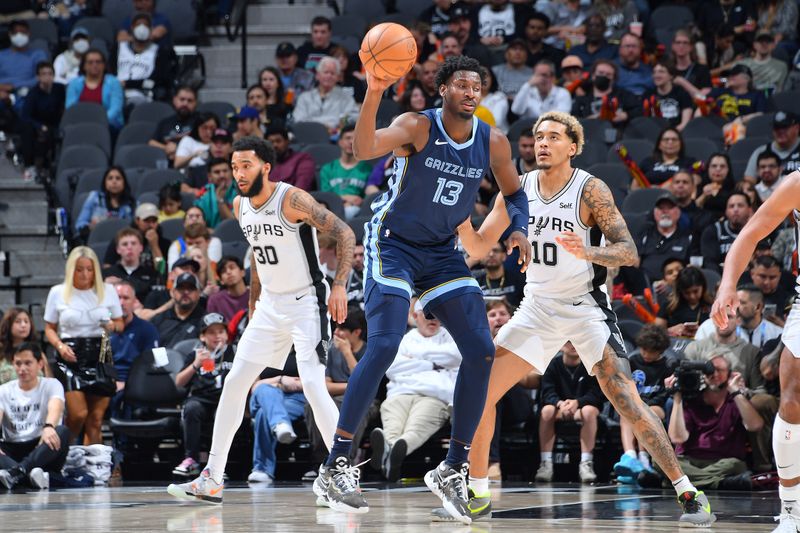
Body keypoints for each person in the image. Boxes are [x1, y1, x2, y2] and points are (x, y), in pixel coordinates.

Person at [453, 110, 714, 526]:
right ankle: (479, 492)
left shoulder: (589, 189)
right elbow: (480, 247)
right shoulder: (517, 189)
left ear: (572, 147)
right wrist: (460, 216)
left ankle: (686, 490)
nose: (542, 143)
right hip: (537, 308)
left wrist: (587, 251)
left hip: (585, 307)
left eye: (553, 136)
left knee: (626, 399)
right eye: (538, 136)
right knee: (478, 390)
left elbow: (628, 251)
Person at [314, 56, 531, 522]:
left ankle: (452, 467)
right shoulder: (416, 126)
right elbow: (366, 145)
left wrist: (520, 228)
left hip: (441, 253)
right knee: (386, 343)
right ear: (444, 90)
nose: (471, 92)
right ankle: (336, 463)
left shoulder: (493, 142)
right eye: (462, 84)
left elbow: (514, 193)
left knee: (480, 349)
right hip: (392, 244)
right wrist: (374, 90)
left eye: (478, 86)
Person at [167, 136, 356, 504]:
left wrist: (339, 285)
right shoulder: (239, 206)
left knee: (314, 385)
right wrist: (254, 299)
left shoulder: (292, 199)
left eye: (246, 166)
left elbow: (345, 233)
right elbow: (258, 255)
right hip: (270, 305)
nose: (238, 173)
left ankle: (342, 474)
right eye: (235, 166)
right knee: (236, 381)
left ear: (266, 167)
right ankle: (213, 478)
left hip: (307, 302)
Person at [711, 166, 800, 532]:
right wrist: (727, 284)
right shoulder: (797, 183)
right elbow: (751, 233)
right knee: (792, 397)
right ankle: (792, 511)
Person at [370, 300, 461, 481]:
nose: (432, 319)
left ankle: (388, 451)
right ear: (415, 316)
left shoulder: (452, 337)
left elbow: (455, 356)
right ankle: (390, 452)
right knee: (393, 425)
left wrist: (415, 358)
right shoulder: (405, 339)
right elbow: (392, 367)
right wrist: (433, 364)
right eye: (426, 314)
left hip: (434, 396)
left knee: (415, 428)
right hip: (400, 394)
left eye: (436, 315)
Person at [43, 247, 124, 444]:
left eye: (89, 269)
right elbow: (49, 328)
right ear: (71, 270)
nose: (85, 274)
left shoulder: (108, 291)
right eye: (80, 269)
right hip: (71, 352)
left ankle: (95, 464)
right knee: (78, 414)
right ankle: (61, 453)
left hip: (101, 351)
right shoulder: (58, 292)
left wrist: (112, 325)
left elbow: (120, 324)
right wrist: (60, 346)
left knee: (95, 419)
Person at [665, 353, 764, 490]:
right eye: (710, 370)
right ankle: (719, 483)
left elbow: (755, 426)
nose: (715, 374)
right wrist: (677, 397)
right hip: (690, 461)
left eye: (720, 370)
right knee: (662, 460)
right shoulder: (692, 398)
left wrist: (735, 391)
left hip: (725, 462)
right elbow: (677, 438)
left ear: (730, 374)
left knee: (736, 465)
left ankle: (673, 481)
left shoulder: (735, 400)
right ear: (703, 374)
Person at [303, 308, 372, 481]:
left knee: (351, 405)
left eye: (342, 329)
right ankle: (322, 462)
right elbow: (324, 386)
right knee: (314, 405)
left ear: (357, 332)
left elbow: (364, 387)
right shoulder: (331, 350)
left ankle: (347, 461)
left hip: (366, 401)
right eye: (336, 327)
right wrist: (350, 386)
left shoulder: (369, 352)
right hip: (335, 397)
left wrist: (348, 353)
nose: (336, 332)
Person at [171, 313, 236, 477]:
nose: (217, 336)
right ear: (202, 336)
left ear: (227, 335)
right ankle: (191, 460)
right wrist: (196, 364)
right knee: (191, 408)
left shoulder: (235, 352)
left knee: (224, 413)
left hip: (225, 399)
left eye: (221, 332)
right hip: (201, 399)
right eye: (212, 333)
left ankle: (219, 466)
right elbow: (179, 382)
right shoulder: (195, 354)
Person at [0, 343, 69, 490]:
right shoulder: (4, 390)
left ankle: (17, 473)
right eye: (18, 363)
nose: (22, 368)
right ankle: (33, 476)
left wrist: (49, 426)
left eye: (28, 363)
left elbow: (55, 407)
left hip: (42, 446)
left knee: (62, 431)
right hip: (14, 447)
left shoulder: (52, 384)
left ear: (40, 364)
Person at [534, 342, 605, 483]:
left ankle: (586, 463)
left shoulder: (591, 365)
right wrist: (560, 404)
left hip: (583, 408)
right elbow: (547, 393)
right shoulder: (552, 364)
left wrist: (577, 403)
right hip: (559, 408)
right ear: (560, 345)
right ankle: (546, 463)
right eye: (568, 342)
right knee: (547, 410)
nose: (573, 345)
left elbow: (596, 394)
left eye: (576, 341)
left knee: (589, 411)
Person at [613, 325, 676, 483]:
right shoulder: (633, 361)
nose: (646, 355)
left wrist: (646, 404)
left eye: (651, 352)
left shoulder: (669, 365)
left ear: (660, 351)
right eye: (644, 350)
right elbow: (624, 386)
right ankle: (630, 456)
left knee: (643, 413)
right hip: (635, 404)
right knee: (626, 412)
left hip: (657, 406)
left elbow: (665, 392)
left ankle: (644, 459)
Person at [108, 280, 159, 417]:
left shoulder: (149, 329)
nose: (121, 303)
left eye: (126, 298)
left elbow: (158, 363)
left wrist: (128, 384)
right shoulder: (100, 329)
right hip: (107, 383)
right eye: (117, 298)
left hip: (137, 383)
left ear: (134, 302)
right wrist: (113, 383)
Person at [631, 192, 696, 283]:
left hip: (676, 287)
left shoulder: (688, 238)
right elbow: (633, 264)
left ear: (678, 212)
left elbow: (693, 269)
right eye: (661, 208)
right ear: (654, 213)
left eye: (669, 207)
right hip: (645, 287)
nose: (665, 211)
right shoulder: (644, 234)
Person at [18, 61, 65, 180]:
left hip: (56, 124)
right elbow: (25, 116)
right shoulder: (33, 93)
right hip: (37, 126)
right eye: (43, 74)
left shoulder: (60, 89)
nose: (47, 77)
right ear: (38, 77)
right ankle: (30, 165)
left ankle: (49, 168)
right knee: (28, 129)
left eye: (50, 73)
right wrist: (39, 125)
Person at [116, 12, 174, 105]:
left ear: (151, 29)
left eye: (146, 25)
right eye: (138, 24)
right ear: (132, 28)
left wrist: (127, 83)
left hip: (143, 96)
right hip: (116, 93)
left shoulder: (159, 52)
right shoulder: (119, 48)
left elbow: (156, 81)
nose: (142, 28)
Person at [319, 123, 373, 220]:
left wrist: (356, 202)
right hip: (331, 209)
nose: (351, 142)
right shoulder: (327, 168)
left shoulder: (367, 169)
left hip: (356, 212)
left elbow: (367, 198)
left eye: (355, 139)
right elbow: (326, 196)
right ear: (340, 142)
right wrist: (346, 198)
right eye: (347, 138)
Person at [292, 57, 359, 134]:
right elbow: (298, 120)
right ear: (317, 75)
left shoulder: (346, 97)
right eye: (326, 72)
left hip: (336, 137)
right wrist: (321, 127)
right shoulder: (304, 97)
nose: (329, 76)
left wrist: (339, 125)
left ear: (337, 77)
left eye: (332, 73)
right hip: (308, 136)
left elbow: (353, 117)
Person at [65, 49, 124, 132]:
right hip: (80, 124)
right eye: (90, 62)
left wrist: (99, 121)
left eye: (98, 62)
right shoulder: (74, 83)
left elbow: (115, 109)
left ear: (104, 65)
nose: (94, 65)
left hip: (108, 124)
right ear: (84, 66)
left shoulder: (114, 82)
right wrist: (84, 122)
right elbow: (70, 108)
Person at [102, 227, 160, 302]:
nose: (129, 247)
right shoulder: (106, 274)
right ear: (118, 249)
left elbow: (156, 300)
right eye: (125, 244)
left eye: (133, 243)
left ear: (141, 248)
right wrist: (104, 286)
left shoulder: (151, 274)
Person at [74, 166, 136, 236]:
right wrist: (90, 227)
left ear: (124, 183)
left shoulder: (132, 203)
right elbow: (80, 224)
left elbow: (136, 228)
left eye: (118, 178)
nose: (114, 181)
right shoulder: (95, 198)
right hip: (97, 238)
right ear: (105, 182)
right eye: (110, 178)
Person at [701, 192, 754, 271]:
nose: (735, 209)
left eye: (740, 205)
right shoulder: (714, 230)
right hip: (721, 277)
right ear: (726, 211)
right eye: (731, 206)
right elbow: (710, 263)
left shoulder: (757, 230)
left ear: (749, 210)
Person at [654, 266, 713, 338]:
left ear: (703, 287)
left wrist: (702, 331)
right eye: (687, 293)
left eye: (696, 291)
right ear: (680, 291)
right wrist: (670, 331)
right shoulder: (668, 305)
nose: (692, 296)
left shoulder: (712, 305)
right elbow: (655, 333)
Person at [151, 272, 206, 348]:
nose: (186, 292)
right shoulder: (158, 320)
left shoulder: (205, 321)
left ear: (199, 293)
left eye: (191, 288)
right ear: (173, 292)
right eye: (181, 288)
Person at [744, 111, 800, 183]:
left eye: (785, 127)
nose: (780, 131)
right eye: (777, 128)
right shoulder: (761, 152)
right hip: (769, 193)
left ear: (797, 128)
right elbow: (748, 182)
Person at [148, 86, 198, 164]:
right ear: (174, 100)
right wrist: (166, 148)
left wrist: (178, 149)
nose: (185, 103)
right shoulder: (165, 122)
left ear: (195, 103)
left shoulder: (200, 122)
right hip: (167, 162)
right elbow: (151, 142)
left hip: (192, 162)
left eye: (190, 101)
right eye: (182, 99)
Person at [642, 60, 693, 131]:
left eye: (661, 72)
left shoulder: (682, 93)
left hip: (678, 133)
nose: (656, 75)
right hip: (654, 134)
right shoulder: (648, 94)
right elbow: (644, 122)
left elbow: (685, 123)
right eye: (654, 72)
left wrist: (672, 133)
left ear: (671, 76)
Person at [0, 20, 48, 96]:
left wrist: (15, 86)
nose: (19, 35)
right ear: (10, 34)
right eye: (15, 33)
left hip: (28, 92)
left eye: (23, 32)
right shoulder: (1, 55)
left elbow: (43, 76)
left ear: (28, 33)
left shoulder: (38, 54)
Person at [474, 241, 526, 309]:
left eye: (496, 251)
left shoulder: (519, 280)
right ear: (480, 257)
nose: (491, 254)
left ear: (504, 256)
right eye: (486, 251)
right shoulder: (475, 283)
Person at [265, 126, 315, 191]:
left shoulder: (303, 159)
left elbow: (301, 188)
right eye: (271, 142)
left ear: (287, 141)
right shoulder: (264, 164)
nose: (275, 145)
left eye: (278, 141)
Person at [0, 308, 39, 385]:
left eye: (26, 321)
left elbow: (48, 379)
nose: (23, 325)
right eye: (18, 322)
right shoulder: (1, 351)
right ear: (8, 325)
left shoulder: (36, 351)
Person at [193, 157, 235, 229]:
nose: (222, 175)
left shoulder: (243, 192)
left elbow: (234, 225)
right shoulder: (203, 194)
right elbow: (197, 225)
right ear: (209, 176)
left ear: (232, 172)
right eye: (217, 172)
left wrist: (220, 200)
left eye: (225, 171)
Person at [207, 256, 249, 322]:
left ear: (242, 272)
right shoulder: (215, 301)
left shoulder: (256, 295)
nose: (228, 272)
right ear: (221, 281)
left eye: (232, 267)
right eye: (223, 271)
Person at [696, 153, 736, 219]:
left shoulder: (735, 188)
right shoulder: (698, 187)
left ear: (728, 170)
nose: (718, 169)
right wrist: (704, 195)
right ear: (708, 169)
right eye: (714, 166)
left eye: (722, 166)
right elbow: (693, 208)